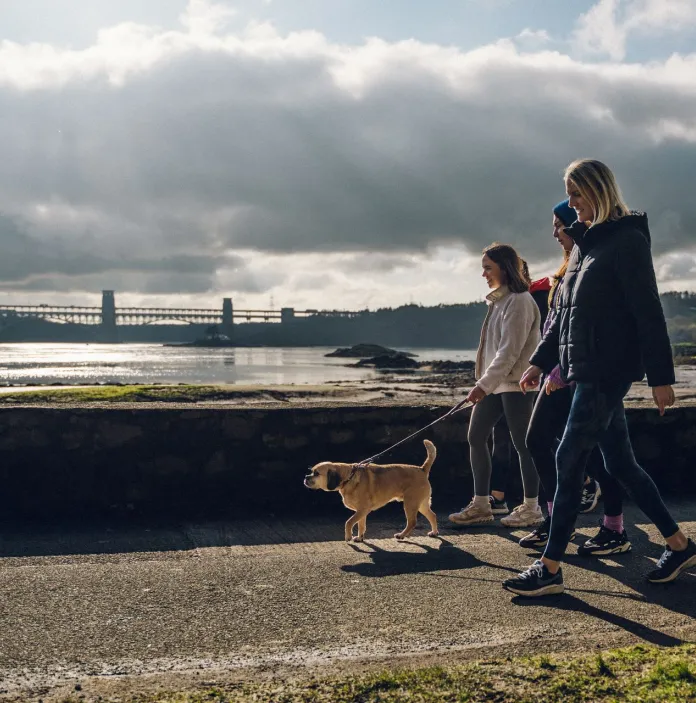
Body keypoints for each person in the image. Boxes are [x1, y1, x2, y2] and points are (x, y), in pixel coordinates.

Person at [503, 159, 696, 597]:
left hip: (607, 371)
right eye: (569, 196)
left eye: (576, 195)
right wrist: (538, 361)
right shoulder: (586, 247)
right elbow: (564, 318)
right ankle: (679, 544)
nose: (571, 205)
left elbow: (648, 312)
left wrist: (661, 378)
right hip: (583, 368)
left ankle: (550, 567)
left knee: (568, 458)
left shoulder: (626, 241)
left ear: (598, 190)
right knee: (620, 463)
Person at [519, 199, 629, 556]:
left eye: (558, 225)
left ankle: (614, 527)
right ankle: (554, 522)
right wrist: (538, 363)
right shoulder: (567, 267)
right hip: (557, 371)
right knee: (537, 441)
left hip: (583, 374)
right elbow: (555, 326)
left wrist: (557, 369)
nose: (554, 232)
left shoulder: (592, 262)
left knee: (602, 456)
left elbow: (581, 327)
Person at [449, 243, 543, 528]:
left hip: (516, 384)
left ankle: (532, 507)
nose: (484, 274)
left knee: (524, 445)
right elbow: (495, 352)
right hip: (494, 384)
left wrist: (482, 385)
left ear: (505, 267)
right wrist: (486, 383)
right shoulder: (499, 301)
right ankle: (481, 504)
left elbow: (509, 351)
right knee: (476, 436)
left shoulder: (520, 301)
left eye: (488, 267)